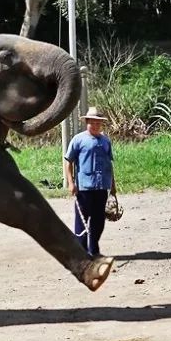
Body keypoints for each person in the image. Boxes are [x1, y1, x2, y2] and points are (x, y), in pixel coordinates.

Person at [63, 107, 116, 257]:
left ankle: (94, 250)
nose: (95, 125)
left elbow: (109, 164)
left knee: (98, 221)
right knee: (82, 221)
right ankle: (80, 252)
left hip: (101, 186)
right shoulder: (78, 140)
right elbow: (68, 162)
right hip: (84, 187)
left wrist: (112, 185)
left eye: (98, 123)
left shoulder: (105, 141)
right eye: (92, 122)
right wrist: (71, 183)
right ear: (87, 122)